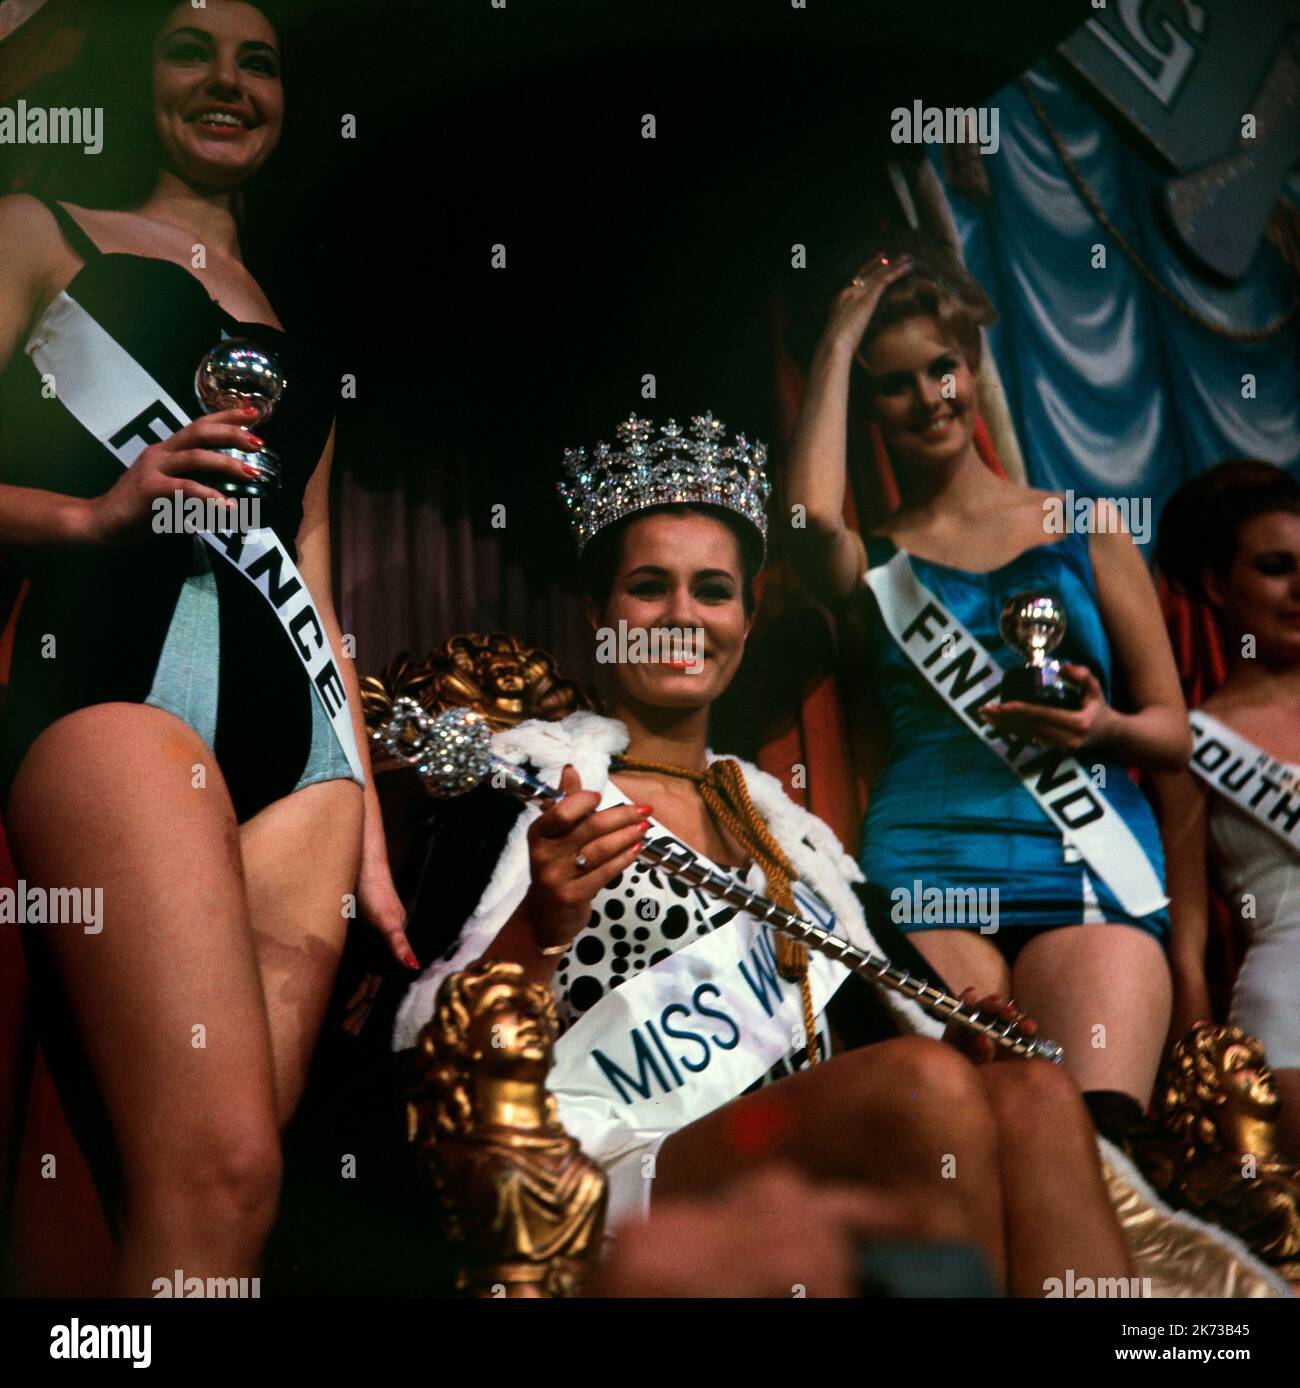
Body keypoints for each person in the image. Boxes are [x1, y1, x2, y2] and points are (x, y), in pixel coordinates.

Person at [394, 409, 1135, 1296]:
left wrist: (969, 1047)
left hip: (801, 1141)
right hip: (615, 1157)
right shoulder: (525, 786)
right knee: (922, 1090)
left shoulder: (786, 829)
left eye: (712, 590)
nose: (681, 615)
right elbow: (422, 1045)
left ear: (747, 619)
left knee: (1036, 1100)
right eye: (647, 587)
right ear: (599, 614)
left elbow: (869, 1030)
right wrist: (538, 926)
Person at [0, 1, 410, 1293]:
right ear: (145, 78)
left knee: (209, 1187)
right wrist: (93, 510)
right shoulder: (35, 235)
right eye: (194, 50)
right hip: (113, 705)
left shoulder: (299, 335)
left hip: (306, 770)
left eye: (260, 61)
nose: (229, 81)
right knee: (217, 1166)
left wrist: (370, 821)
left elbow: (322, 593)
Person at [783, 235, 1191, 1112]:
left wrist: (1104, 729)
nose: (929, 398)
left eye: (942, 369)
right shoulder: (873, 564)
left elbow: (1174, 732)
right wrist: (839, 336)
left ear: (972, 367)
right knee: (965, 1129)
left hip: (1086, 860)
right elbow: (809, 513)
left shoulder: (1086, 524)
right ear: (868, 405)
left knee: (1098, 1135)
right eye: (894, 383)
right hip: (926, 868)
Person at [1154, 461, 1300, 1157]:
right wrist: (1200, 1065)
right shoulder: (1190, 742)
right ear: (1216, 585)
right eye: (1276, 567)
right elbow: (1188, 932)